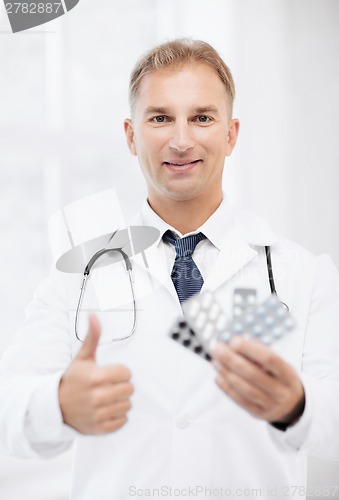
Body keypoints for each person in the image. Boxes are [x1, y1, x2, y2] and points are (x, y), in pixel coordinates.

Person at [1, 38, 339, 500]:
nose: (181, 140)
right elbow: (9, 409)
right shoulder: (78, 272)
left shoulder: (304, 275)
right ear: (131, 134)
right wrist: (57, 404)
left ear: (231, 134)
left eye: (202, 117)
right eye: (160, 118)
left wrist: (297, 406)